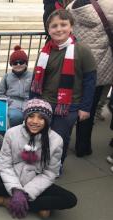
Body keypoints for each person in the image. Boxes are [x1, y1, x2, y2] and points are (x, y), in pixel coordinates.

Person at [0, 99, 77, 219]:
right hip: (14, 178)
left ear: (47, 120)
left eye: (41, 118)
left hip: (37, 183)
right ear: (25, 117)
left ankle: (5, 201)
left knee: (70, 199)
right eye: (31, 116)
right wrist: (16, 190)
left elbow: (50, 173)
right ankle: (37, 206)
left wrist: (27, 193)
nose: (35, 121)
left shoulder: (56, 140)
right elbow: (5, 165)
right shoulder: (11, 133)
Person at [30, 9, 96, 168]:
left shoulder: (82, 50)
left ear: (71, 27)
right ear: (49, 30)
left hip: (70, 106)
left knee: (59, 138)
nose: (59, 29)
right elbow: (35, 79)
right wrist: (31, 102)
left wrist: (85, 108)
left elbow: (90, 81)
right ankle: (39, 162)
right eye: (54, 26)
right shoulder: (45, 52)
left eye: (63, 24)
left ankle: (55, 166)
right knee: (40, 135)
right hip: (44, 102)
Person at [66, 0, 113, 157]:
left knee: (70, 103)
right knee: (89, 108)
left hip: (78, 62)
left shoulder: (72, 6)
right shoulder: (109, 6)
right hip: (100, 66)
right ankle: (83, 146)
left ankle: (62, 138)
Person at [0, 45, 32, 127]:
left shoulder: (32, 76)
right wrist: (9, 101)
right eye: (15, 63)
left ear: (26, 64)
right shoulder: (7, 77)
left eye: (21, 62)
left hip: (29, 104)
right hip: (13, 106)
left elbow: (37, 92)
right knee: (16, 117)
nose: (18, 65)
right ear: (11, 65)